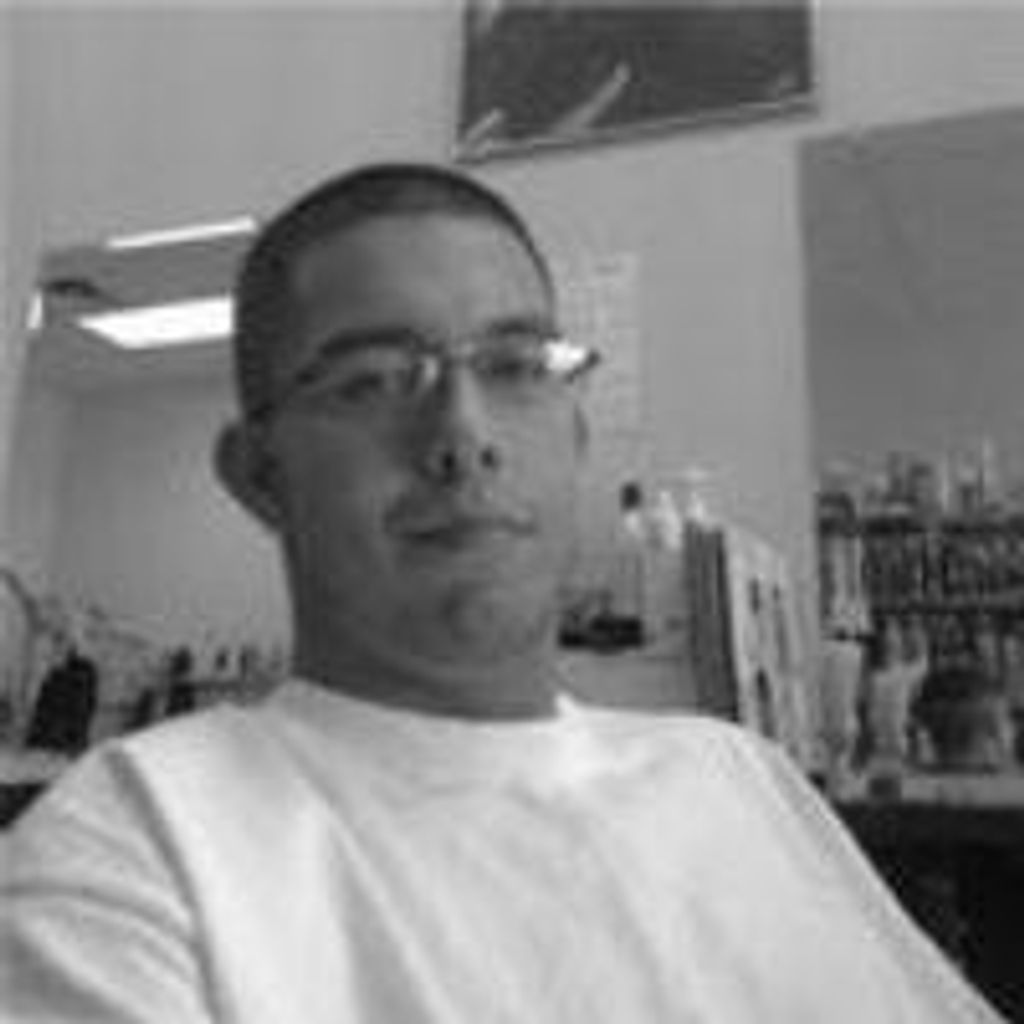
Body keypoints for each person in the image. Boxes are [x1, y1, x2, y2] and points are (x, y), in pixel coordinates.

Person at [1, 163, 1005, 1023]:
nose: (464, 434)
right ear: (261, 475)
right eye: (372, 379)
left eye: (517, 366)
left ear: (574, 432)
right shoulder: (138, 850)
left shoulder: (741, 778)